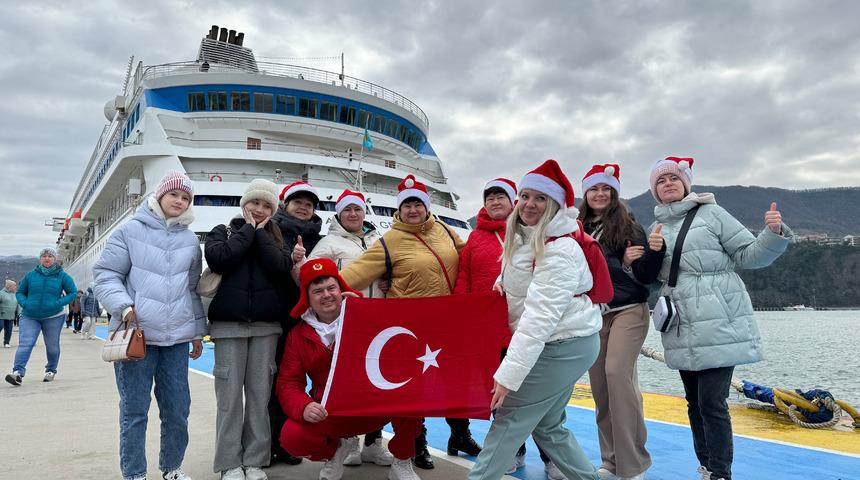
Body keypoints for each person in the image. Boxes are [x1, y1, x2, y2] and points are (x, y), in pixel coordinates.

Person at [648, 157, 790, 480]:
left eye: (673, 178)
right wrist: (647, 256)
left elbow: (749, 255)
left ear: (686, 183)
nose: (667, 184)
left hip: (719, 319)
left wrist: (773, 232)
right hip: (680, 324)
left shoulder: (712, 214)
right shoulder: (656, 227)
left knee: (712, 401)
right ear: (654, 190)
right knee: (694, 402)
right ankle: (706, 464)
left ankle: (721, 472)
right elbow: (653, 278)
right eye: (660, 181)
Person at [469, 159, 602, 480]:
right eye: (526, 196)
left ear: (554, 205)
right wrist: (503, 284)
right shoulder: (528, 237)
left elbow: (538, 319)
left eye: (540, 199)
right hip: (569, 340)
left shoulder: (559, 251)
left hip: (562, 343)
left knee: (509, 418)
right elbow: (525, 284)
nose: (530, 204)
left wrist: (508, 375)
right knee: (549, 426)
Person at [340, 174, 465, 470]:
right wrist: (322, 288)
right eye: (407, 204)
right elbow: (356, 272)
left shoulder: (446, 231)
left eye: (417, 204)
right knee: (414, 390)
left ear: (426, 206)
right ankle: (416, 446)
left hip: (445, 322)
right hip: (410, 327)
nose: (412, 209)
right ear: (399, 209)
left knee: (444, 385)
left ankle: (460, 433)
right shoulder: (390, 240)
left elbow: (469, 259)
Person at [94, 170, 206, 480]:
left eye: (186, 198)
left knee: (177, 410)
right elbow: (105, 274)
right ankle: (134, 473)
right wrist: (124, 305)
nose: (180, 201)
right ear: (159, 196)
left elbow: (192, 289)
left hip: (177, 341)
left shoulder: (190, 240)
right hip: (137, 336)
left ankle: (171, 468)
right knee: (134, 411)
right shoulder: (130, 231)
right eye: (174, 195)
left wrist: (197, 331)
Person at [276, 258, 423, 480]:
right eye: (318, 291)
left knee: (413, 395)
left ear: (340, 288)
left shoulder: (364, 316)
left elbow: (399, 354)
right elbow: (288, 382)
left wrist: (364, 314)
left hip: (375, 405)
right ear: (308, 297)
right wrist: (304, 406)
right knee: (292, 437)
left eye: (331, 288)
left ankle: (401, 461)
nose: (326, 295)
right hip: (331, 411)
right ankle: (335, 450)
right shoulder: (298, 335)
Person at [578, 164, 665, 480]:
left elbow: (645, 277)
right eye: (594, 189)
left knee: (617, 374)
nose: (600, 194)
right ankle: (611, 461)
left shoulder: (629, 227)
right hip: (592, 314)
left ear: (614, 193)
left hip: (628, 308)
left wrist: (637, 260)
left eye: (606, 189)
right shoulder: (577, 228)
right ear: (586, 194)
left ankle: (633, 464)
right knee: (600, 386)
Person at [205, 179, 293, 480]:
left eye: (266, 205)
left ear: (273, 209)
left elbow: (280, 267)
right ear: (244, 204)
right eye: (255, 203)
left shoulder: (278, 239)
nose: (259, 209)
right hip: (229, 327)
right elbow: (220, 258)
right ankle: (229, 463)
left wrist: (261, 234)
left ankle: (256, 460)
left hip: (266, 328)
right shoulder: (223, 232)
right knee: (229, 400)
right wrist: (248, 230)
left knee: (259, 397)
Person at [307, 189, 393, 467]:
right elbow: (313, 275)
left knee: (377, 383)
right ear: (339, 214)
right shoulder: (329, 242)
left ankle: (373, 442)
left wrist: (388, 282)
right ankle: (350, 441)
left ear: (364, 213)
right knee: (349, 383)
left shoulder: (378, 240)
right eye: (347, 210)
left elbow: (393, 269)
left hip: (376, 322)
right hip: (345, 323)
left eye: (357, 209)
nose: (353, 214)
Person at [268, 180, 323, 466]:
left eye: (309, 204)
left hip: (311, 322)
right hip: (279, 317)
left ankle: (289, 441)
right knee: (274, 382)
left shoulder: (320, 239)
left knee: (299, 383)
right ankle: (270, 442)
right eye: (298, 202)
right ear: (285, 204)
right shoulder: (272, 231)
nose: (303, 207)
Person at [4, 248, 77, 386]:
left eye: (50, 256)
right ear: (40, 259)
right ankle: (17, 373)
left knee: (52, 345)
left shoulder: (62, 276)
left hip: (54, 316)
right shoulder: (31, 275)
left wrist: (57, 303)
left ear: (54, 259)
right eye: (44, 256)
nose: (47, 258)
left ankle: (51, 370)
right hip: (30, 315)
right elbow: (20, 292)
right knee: (26, 343)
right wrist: (26, 304)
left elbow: (72, 292)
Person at [0, 280, 20, 348]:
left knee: (9, 329)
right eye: (14, 286)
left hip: (11, 315)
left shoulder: (15, 294)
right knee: (0, 326)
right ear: (9, 286)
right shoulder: (1, 293)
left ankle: (6, 342)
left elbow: (18, 304)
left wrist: (19, 313)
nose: (15, 287)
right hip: (1, 315)